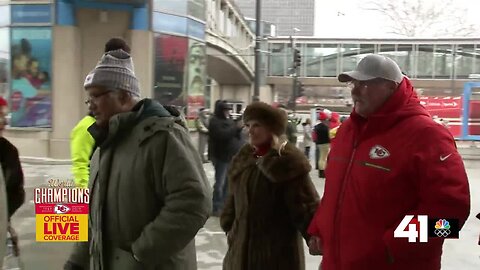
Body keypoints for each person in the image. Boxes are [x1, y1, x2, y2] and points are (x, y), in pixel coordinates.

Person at [307, 54, 470, 270]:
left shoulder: (427, 135)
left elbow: (451, 218)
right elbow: (336, 190)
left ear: (391, 88)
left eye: (365, 84)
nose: (355, 90)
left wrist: (394, 244)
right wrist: (320, 227)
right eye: (353, 84)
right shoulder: (348, 131)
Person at [64, 49, 211, 270]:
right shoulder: (103, 147)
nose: (90, 104)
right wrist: (77, 262)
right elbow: (94, 218)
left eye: (97, 96)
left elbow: (193, 202)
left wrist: (140, 254)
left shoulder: (163, 137)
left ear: (123, 96)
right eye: (89, 97)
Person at [221, 101, 319, 270]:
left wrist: (315, 237)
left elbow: (306, 207)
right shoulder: (243, 158)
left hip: (275, 257)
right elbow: (232, 199)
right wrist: (229, 225)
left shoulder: (287, 162)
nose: (250, 130)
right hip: (238, 254)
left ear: (271, 128)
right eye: (248, 125)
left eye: (257, 125)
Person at [70, 38, 131, 189]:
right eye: (94, 96)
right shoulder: (85, 128)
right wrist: (87, 204)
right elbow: (80, 167)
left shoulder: (122, 127)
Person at [208, 100, 243, 216]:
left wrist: (238, 128)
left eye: (228, 110)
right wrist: (235, 128)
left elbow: (235, 135)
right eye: (225, 110)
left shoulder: (229, 121)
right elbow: (222, 135)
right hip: (221, 157)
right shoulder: (215, 122)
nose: (228, 112)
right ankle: (216, 206)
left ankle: (223, 205)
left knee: (228, 183)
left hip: (231, 156)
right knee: (220, 183)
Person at [313, 111, 330, 178]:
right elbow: (328, 136)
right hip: (325, 143)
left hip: (319, 143)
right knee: (324, 158)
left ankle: (320, 172)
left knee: (321, 157)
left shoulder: (317, 127)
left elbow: (315, 135)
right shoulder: (326, 127)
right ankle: (322, 172)